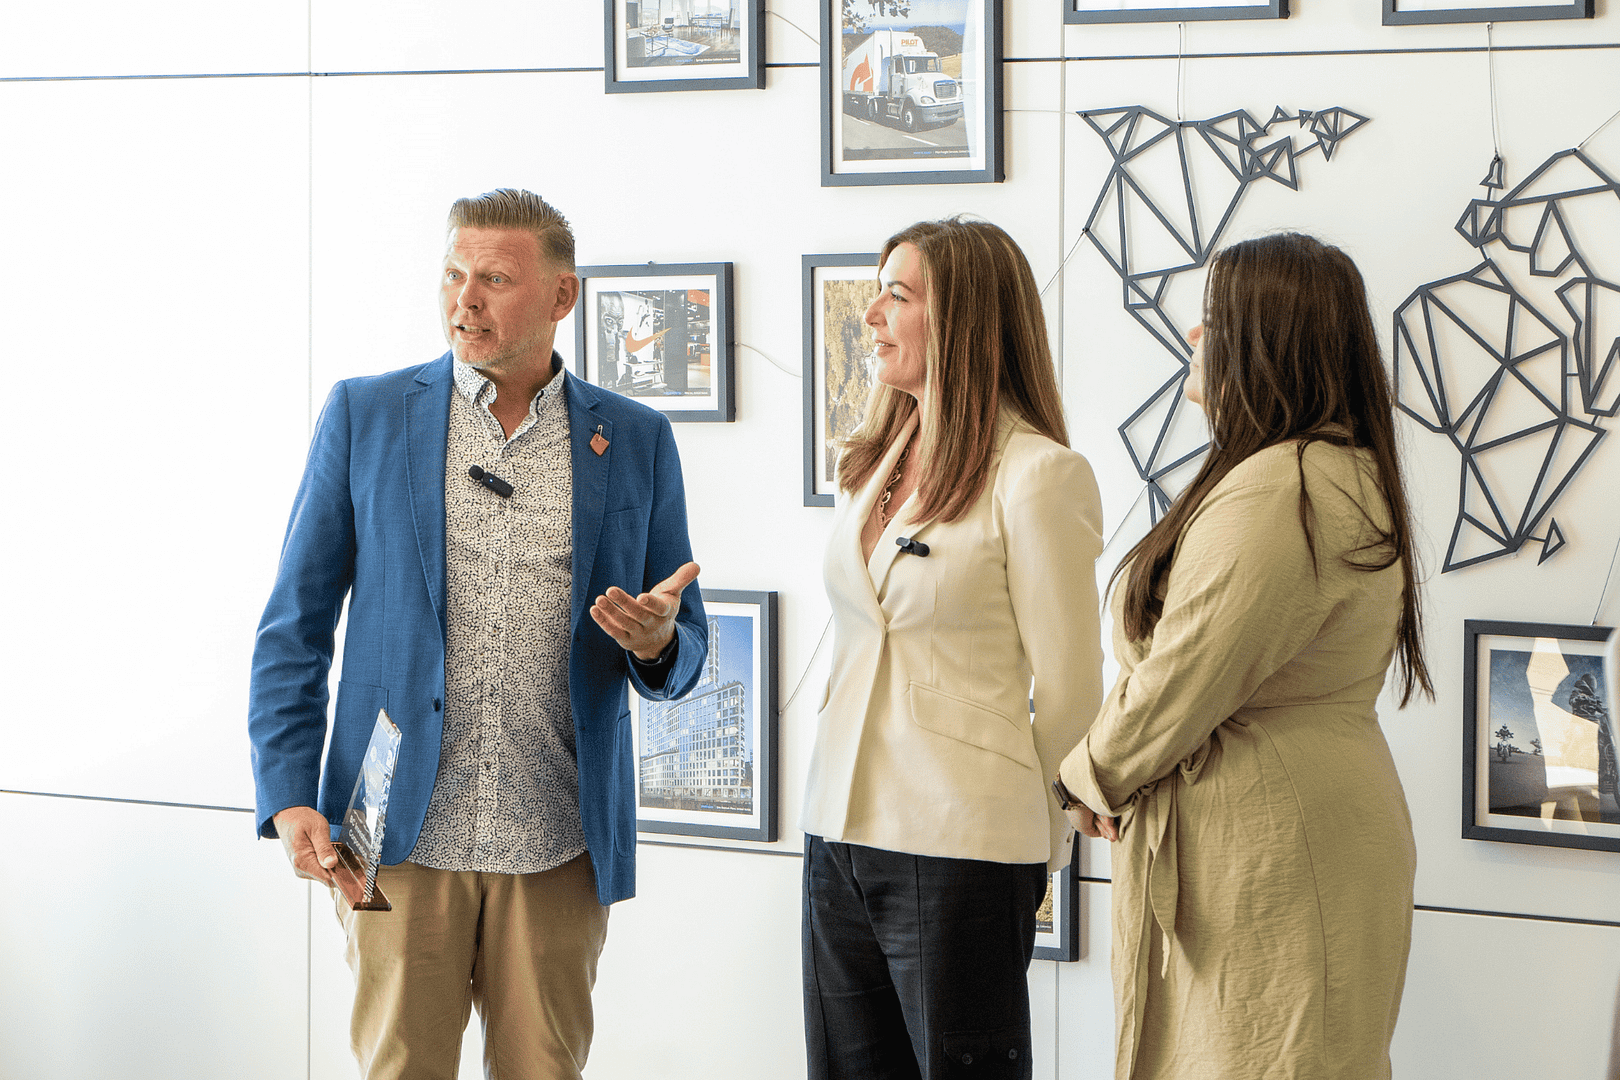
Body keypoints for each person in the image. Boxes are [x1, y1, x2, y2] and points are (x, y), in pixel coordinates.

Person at [248, 188, 708, 1080]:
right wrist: (287, 793)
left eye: (495, 279)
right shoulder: (367, 416)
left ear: (561, 297)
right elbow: (293, 626)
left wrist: (655, 642)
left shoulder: (638, 439)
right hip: (390, 834)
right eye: (454, 275)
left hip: (560, 840)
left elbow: (682, 641)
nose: (467, 300)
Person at [1054, 232, 1433, 1080]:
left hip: (1270, 843)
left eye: (1213, 320)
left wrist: (1084, 777)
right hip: (1296, 825)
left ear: (1268, 342)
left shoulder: (1282, 488)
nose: (1193, 338)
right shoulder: (1328, 471)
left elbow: (1182, 677)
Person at [800, 217, 1105, 1080]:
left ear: (965, 320)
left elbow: (1074, 689)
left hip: (963, 843)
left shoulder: (1039, 473)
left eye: (897, 295)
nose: (873, 315)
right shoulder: (873, 460)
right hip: (837, 830)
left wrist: (1032, 840)